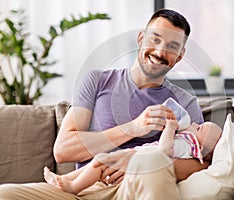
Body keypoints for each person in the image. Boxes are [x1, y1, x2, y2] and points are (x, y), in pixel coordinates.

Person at [0, 9, 209, 199]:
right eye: (155, 39)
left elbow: (202, 164)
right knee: (6, 194)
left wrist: (137, 164)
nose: (160, 52)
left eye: (172, 47)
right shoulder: (97, 81)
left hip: (136, 186)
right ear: (141, 39)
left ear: (180, 56)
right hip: (83, 187)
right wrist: (132, 128)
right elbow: (63, 150)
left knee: (153, 164)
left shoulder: (185, 103)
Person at [43, 120, 222, 195]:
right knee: (99, 161)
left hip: (137, 162)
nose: (195, 124)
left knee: (99, 161)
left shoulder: (188, 143)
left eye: (199, 128)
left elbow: (165, 151)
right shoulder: (189, 141)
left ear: (200, 145)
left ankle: (73, 186)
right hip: (133, 158)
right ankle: (65, 179)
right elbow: (61, 151)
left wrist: (170, 128)